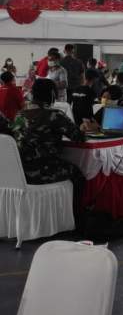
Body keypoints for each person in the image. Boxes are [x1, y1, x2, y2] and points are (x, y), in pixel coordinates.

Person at [11, 78, 85, 216]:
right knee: (78, 174)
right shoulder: (54, 114)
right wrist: (84, 128)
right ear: (52, 94)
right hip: (43, 170)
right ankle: (77, 217)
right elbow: (79, 138)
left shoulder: (20, 114)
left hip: (20, 171)